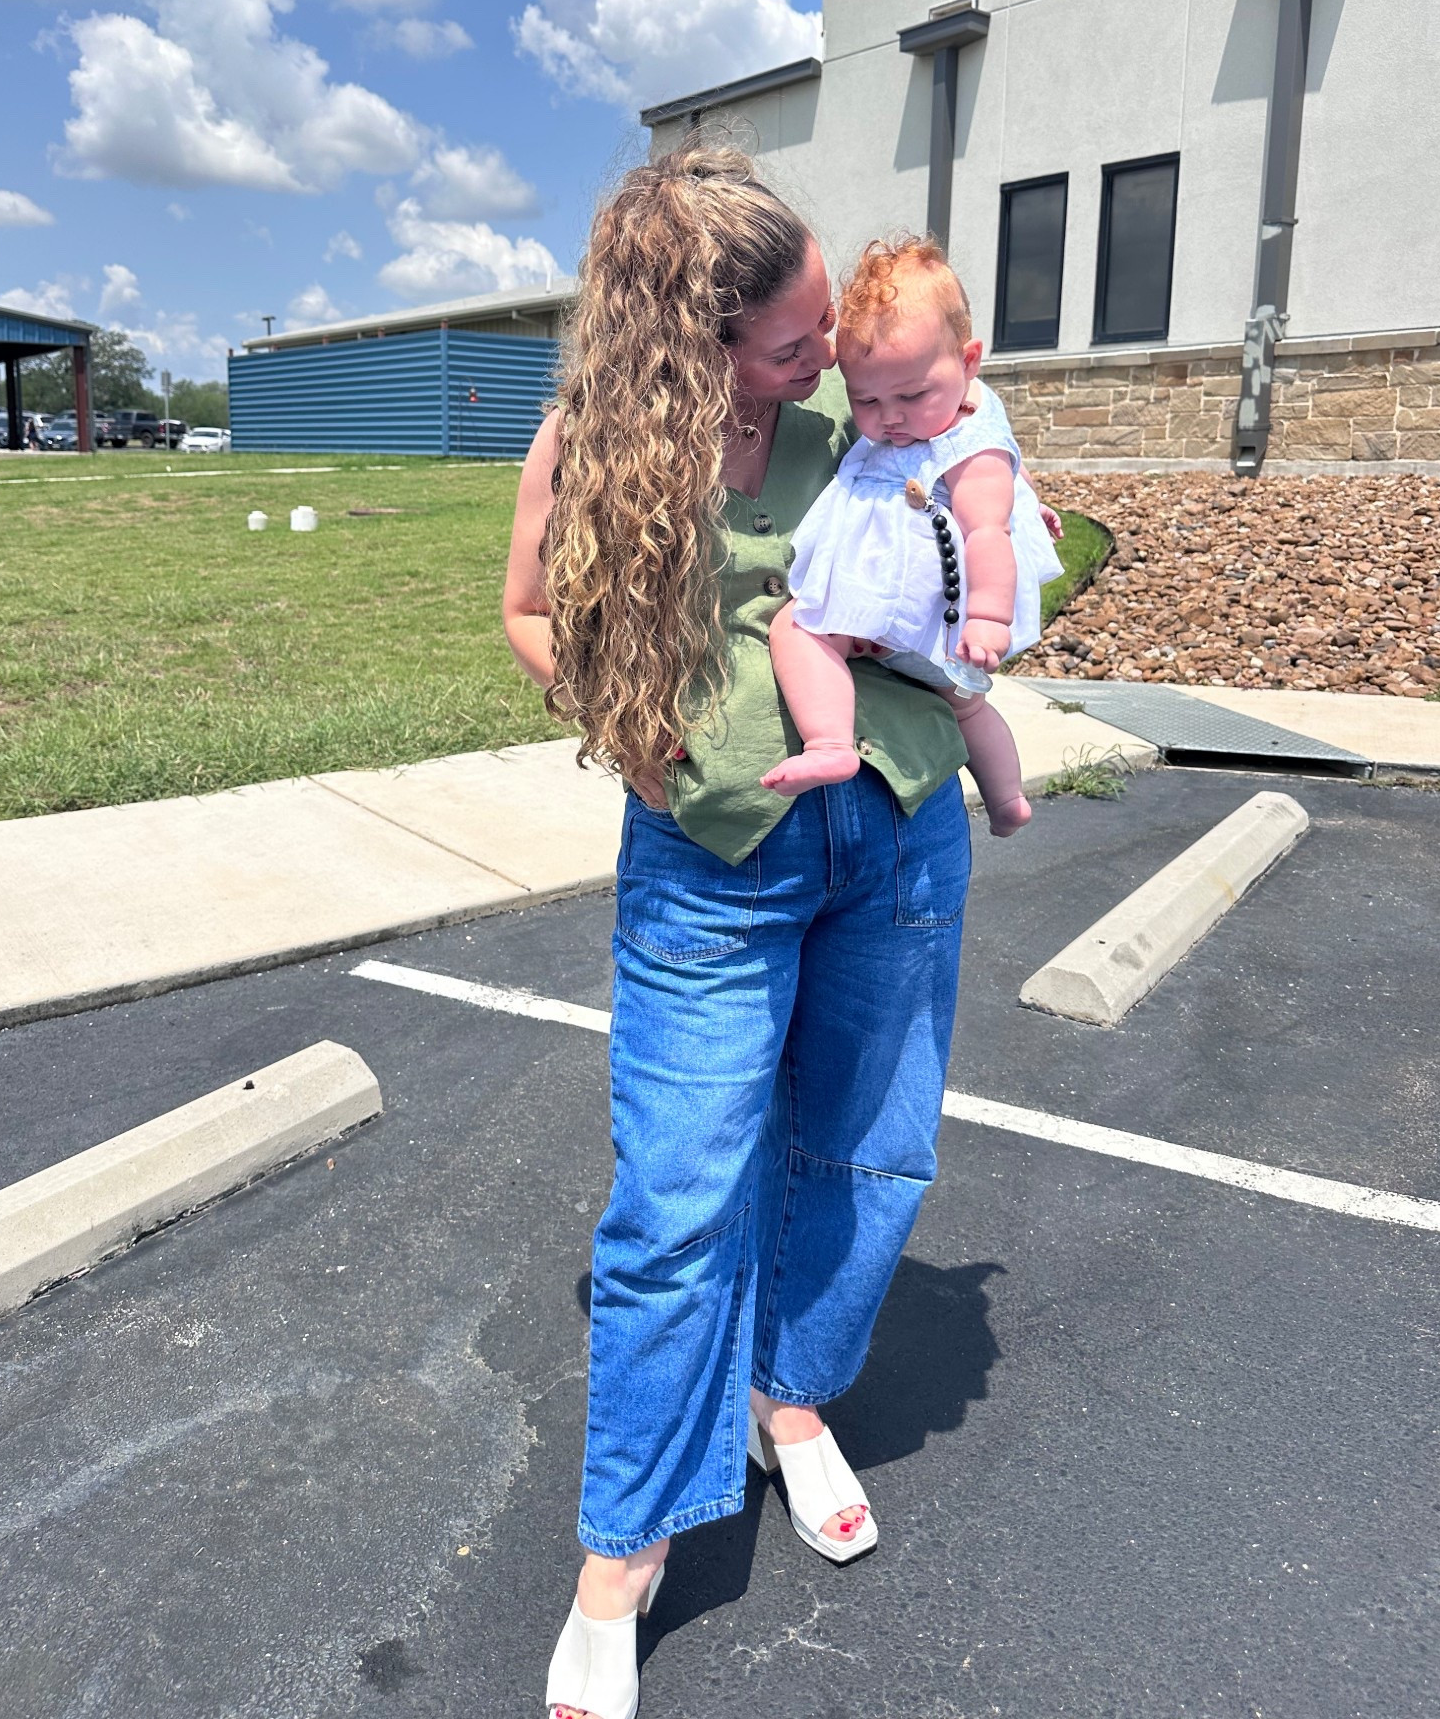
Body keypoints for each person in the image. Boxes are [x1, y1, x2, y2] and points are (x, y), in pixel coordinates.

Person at [503, 147, 974, 1719]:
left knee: (867, 1145)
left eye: (828, 318)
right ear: (687, 348)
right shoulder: (587, 444)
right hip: (713, 850)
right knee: (677, 1200)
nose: (830, 352)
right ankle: (620, 1555)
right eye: (792, 341)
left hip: (895, 814)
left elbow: (979, 519)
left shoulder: (870, 403)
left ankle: (789, 1400)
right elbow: (523, 612)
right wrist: (622, 724)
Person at [760, 237, 1064, 838]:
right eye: (865, 399)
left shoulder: (967, 451)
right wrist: (1032, 491)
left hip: (938, 615)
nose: (889, 417)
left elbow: (987, 533)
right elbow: (1011, 460)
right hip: (909, 613)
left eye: (910, 395)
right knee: (968, 706)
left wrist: (987, 620)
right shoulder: (960, 417)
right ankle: (1006, 800)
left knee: (796, 628)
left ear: (969, 361)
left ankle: (828, 742)